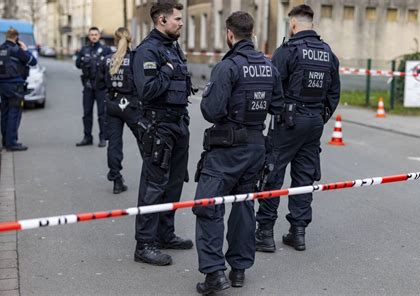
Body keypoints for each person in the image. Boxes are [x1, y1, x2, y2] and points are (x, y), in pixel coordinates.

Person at [192, 11, 283, 294]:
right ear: (252, 34)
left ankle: (214, 274)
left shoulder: (228, 66)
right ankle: (239, 270)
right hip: (256, 147)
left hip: (226, 148)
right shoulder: (269, 67)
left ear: (230, 34)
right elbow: (277, 105)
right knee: (244, 206)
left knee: (208, 207)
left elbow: (211, 110)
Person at [255, 4, 340, 253]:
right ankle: (298, 232)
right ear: (311, 24)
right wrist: (320, 116)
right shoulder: (327, 52)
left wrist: (277, 111)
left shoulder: (287, 50)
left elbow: (271, 84)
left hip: (288, 121)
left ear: (293, 24)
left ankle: (265, 233)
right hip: (314, 121)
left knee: (273, 172)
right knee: (304, 176)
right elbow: (334, 91)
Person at [132, 0, 194, 266]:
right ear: (161, 20)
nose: (181, 23)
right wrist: (167, 71)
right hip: (159, 126)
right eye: (177, 19)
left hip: (178, 123)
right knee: (154, 185)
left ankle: (165, 233)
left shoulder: (173, 47)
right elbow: (147, 91)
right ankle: (145, 244)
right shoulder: (147, 51)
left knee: (174, 183)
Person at [97, 28, 142, 194]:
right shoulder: (136, 59)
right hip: (131, 105)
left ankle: (116, 180)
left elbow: (99, 84)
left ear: (115, 41)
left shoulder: (107, 60)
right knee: (145, 141)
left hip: (113, 105)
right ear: (130, 40)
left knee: (114, 144)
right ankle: (152, 179)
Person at [0, 28, 37, 151]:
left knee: (5, 113)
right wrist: (25, 49)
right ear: (16, 37)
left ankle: (5, 141)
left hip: (3, 84)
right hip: (15, 85)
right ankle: (12, 142)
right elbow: (33, 62)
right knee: (14, 113)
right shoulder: (17, 50)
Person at [75, 27, 112, 148]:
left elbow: (111, 66)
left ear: (99, 36)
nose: (94, 36)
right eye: (91, 34)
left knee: (102, 114)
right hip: (88, 86)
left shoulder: (106, 50)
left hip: (101, 87)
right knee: (87, 113)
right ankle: (87, 137)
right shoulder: (84, 49)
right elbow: (77, 64)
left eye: (96, 34)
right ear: (88, 36)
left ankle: (102, 137)